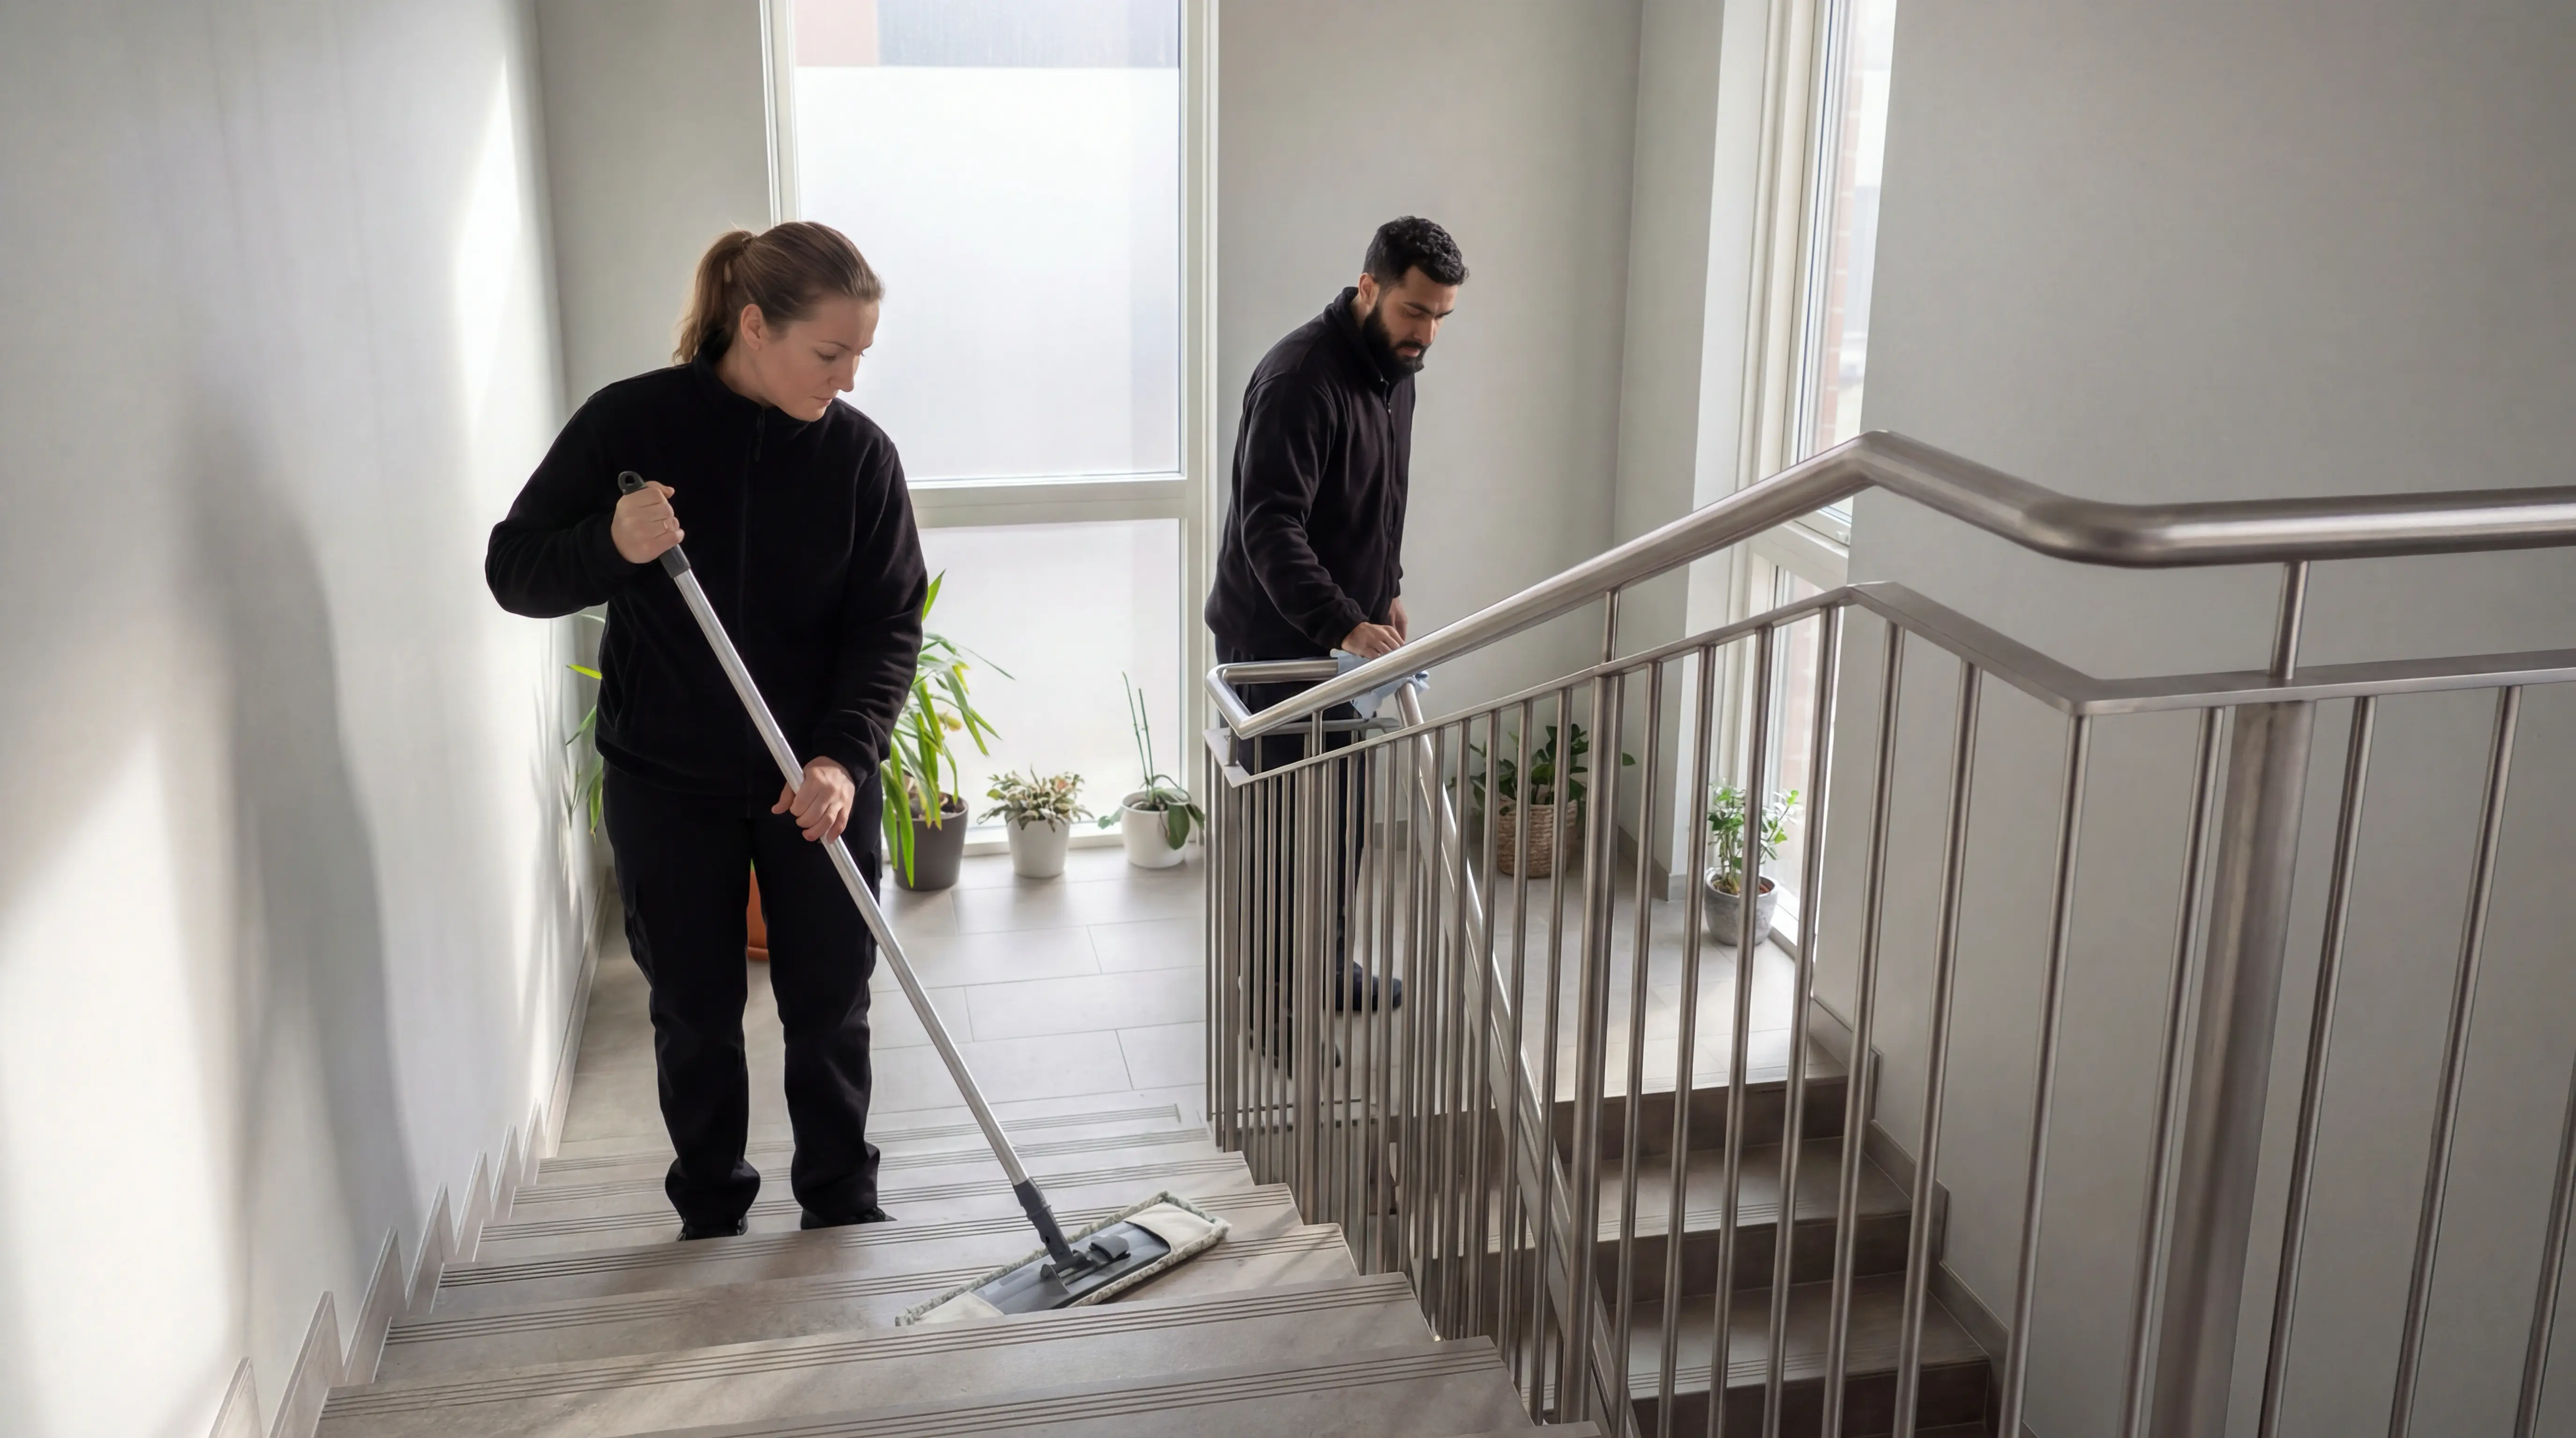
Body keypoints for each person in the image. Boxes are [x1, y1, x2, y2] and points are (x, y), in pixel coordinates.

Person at [486, 222, 928, 1240]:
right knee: (693, 1011)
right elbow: (515, 570)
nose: (849, 379)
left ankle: (839, 1200)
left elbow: (888, 624)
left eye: (862, 353)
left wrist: (841, 756)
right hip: (666, 777)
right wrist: (610, 542)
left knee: (831, 1003)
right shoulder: (629, 427)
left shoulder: (860, 460)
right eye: (829, 354)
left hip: (808, 777)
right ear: (753, 323)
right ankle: (713, 1210)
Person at [1207, 215, 1468, 1016]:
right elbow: (1270, 528)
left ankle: (1324, 970)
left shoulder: (1397, 373)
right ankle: (1271, 1009)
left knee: (1342, 823)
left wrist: (1384, 587)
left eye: (1439, 319)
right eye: (1413, 312)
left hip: (1343, 648)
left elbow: (1380, 500)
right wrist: (1346, 624)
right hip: (1279, 648)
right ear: (1368, 288)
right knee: (1286, 838)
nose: (1425, 334)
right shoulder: (1301, 380)